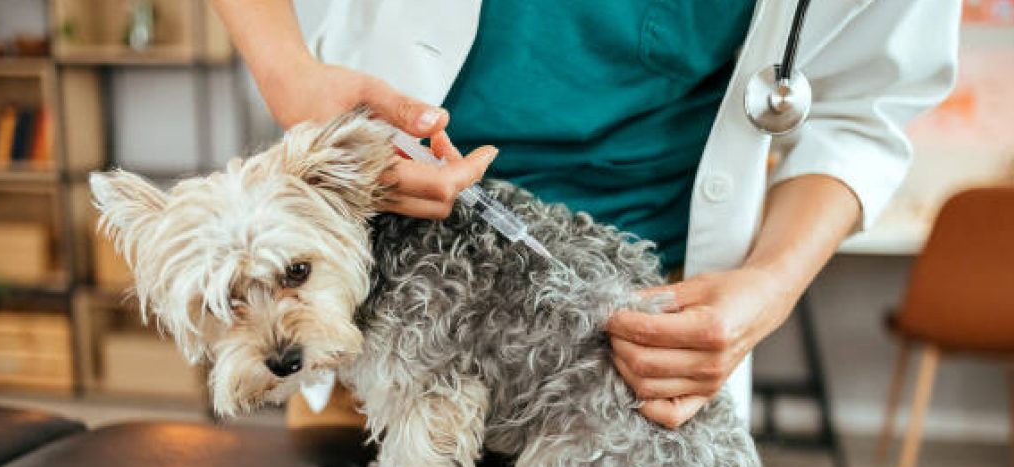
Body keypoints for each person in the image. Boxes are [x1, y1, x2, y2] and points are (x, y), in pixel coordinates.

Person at [213, 0, 959, 428]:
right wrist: (287, 71)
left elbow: (864, 111)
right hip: (376, 312)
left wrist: (770, 281)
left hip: (640, 336)